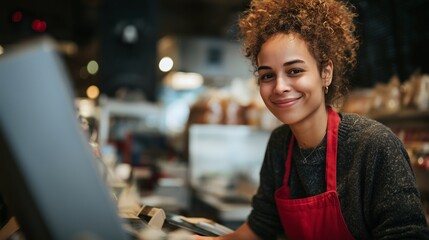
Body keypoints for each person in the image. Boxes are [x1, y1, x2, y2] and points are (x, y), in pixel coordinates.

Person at [193, 0, 429, 239]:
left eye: (294, 71)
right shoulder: (280, 145)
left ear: (325, 73)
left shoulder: (373, 145)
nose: (280, 87)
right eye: (267, 75)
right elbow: (260, 227)